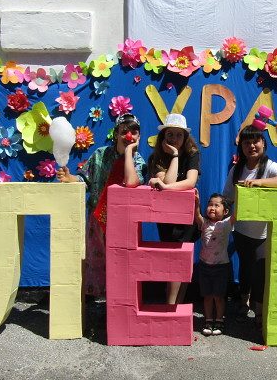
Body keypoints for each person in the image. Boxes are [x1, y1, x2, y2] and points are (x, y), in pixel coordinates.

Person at [56, 113, 146, 297]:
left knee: (122, 265)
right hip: (98, 220)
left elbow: (132, 181)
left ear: (139, 136)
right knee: (96, 263)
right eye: (124, 131)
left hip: (124, 224)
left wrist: (129, 153)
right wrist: (69, 178)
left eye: (134, 132)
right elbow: (84, 179)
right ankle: (97, 303)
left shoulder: (139, 162)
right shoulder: (100, 154)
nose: (129, 135)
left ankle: (118, 304)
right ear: (116, 134)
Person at [222, 125, 277, 329]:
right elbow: (227, 196)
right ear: (242, 147)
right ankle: (244, 302)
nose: (252, 146)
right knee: (245, 268)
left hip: (263, 232)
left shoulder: (270, 166)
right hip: (241, 230)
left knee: (260, 272)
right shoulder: (236, 169)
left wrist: (260, 183)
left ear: (264, 143)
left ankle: (260, 310)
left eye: (256, 141)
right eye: (247, 143)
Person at [147, 113, 201, 304]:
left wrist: (166, 188)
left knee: (182, 261)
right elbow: (169, 181)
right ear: (163, 136)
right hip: (167, 217)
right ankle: (171, 306)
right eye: (170, 134)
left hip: (186, 217)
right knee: (172, 261)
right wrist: (175, 156)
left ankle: (175, 306)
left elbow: (190, 182)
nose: (174, 139)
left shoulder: (193, 154)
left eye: (179, 135)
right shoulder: (155, 158)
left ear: (185, 137)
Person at [194, 191, 235, 336]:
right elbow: (197, 216)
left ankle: (219, 320)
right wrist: (197, 203)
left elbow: (236, 216)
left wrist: (241, 197)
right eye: (210, 204)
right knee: (207, 296)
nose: (212, 208)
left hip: (221, 267)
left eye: (217, 205)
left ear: (225, 211)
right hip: (204, 266)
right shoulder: (204, 223)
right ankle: (208, 320)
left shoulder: (225, 224)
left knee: (218, 296)